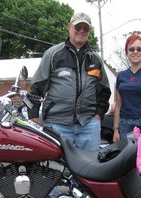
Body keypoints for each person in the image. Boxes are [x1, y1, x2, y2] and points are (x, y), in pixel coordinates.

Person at [28, 12, 111, 151]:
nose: (82, 31)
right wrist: (33, 115)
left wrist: (98, 116)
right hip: (57, 125)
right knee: (58, 169)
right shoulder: (53, 54)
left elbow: (105, 91)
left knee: (89, 169)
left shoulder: (95, 59)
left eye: (85, 28)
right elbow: (37, 86)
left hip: (88, 126)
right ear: (69, 27)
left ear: (89, 31)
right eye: (78, 27)